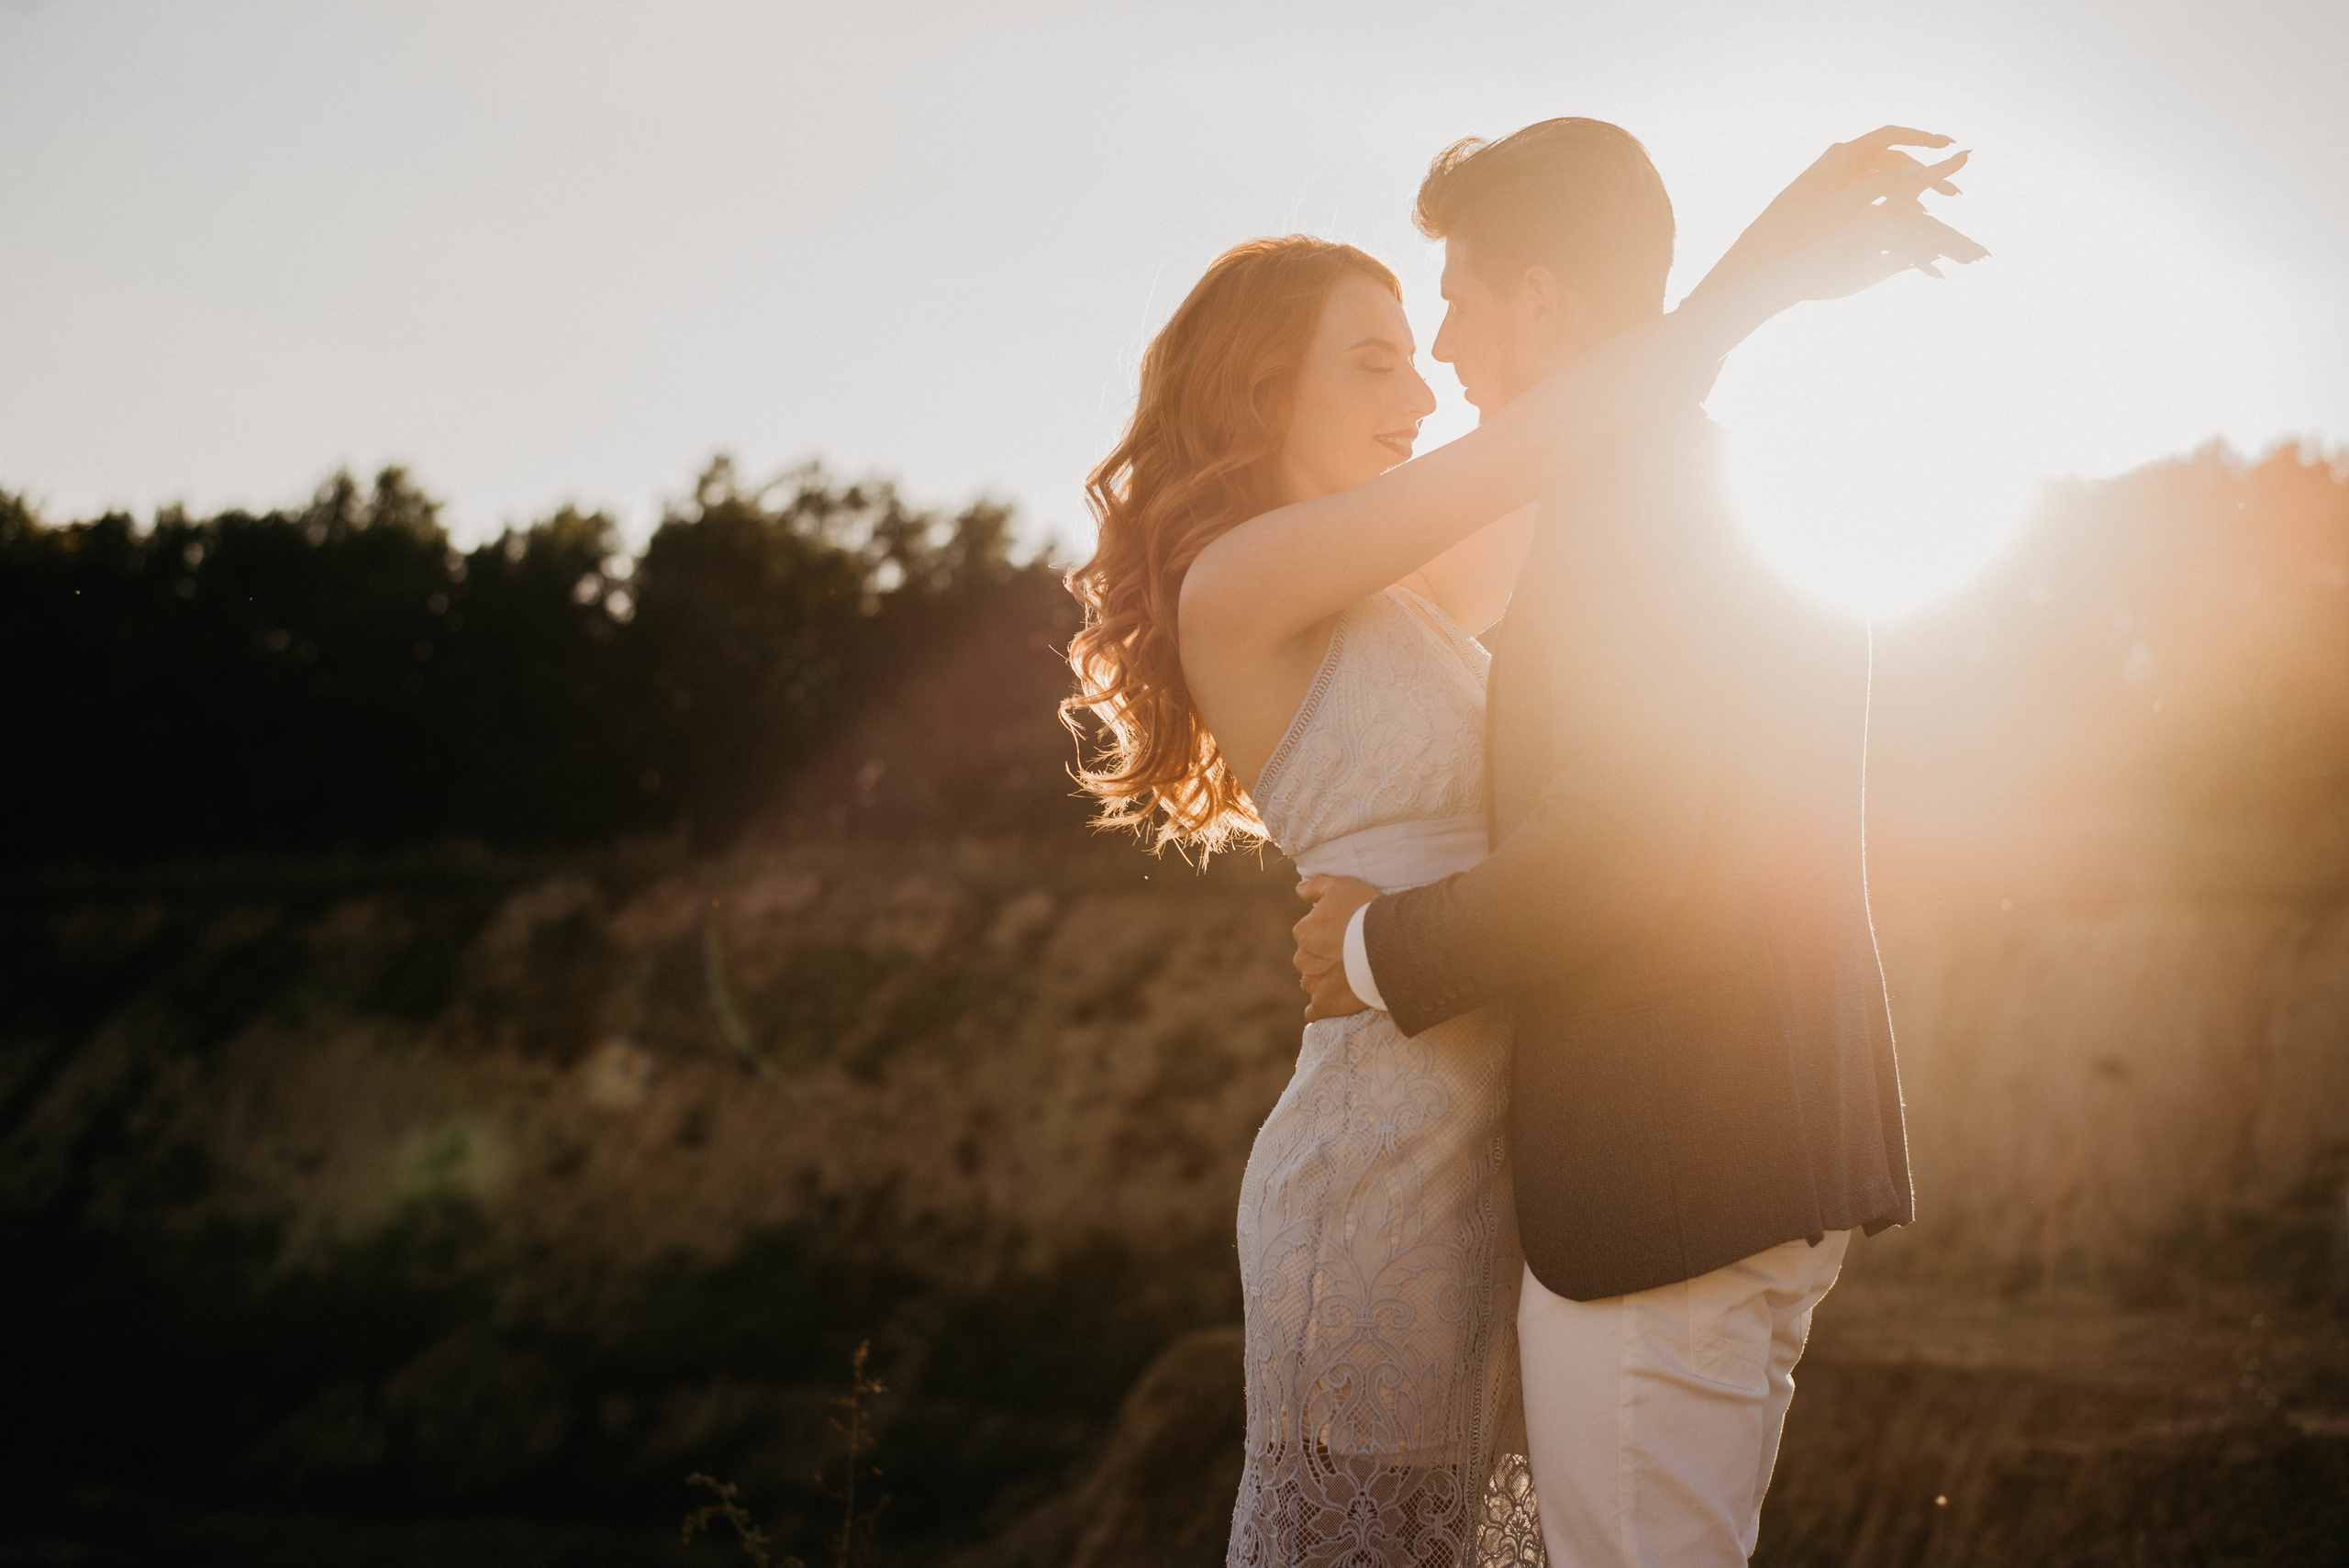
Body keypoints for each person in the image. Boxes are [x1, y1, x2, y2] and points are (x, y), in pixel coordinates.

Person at [1064, 119, 1976, 1567]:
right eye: (1372, 357)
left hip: (1520, 1153)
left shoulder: (1426, 570)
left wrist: (1748, 280)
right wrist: (1767, 267)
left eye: (1423, 341)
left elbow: (1600, 420)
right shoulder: (1237, 587)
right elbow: (1564, 423)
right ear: (1256, 391)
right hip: (1382, 1151)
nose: (1424, 380)